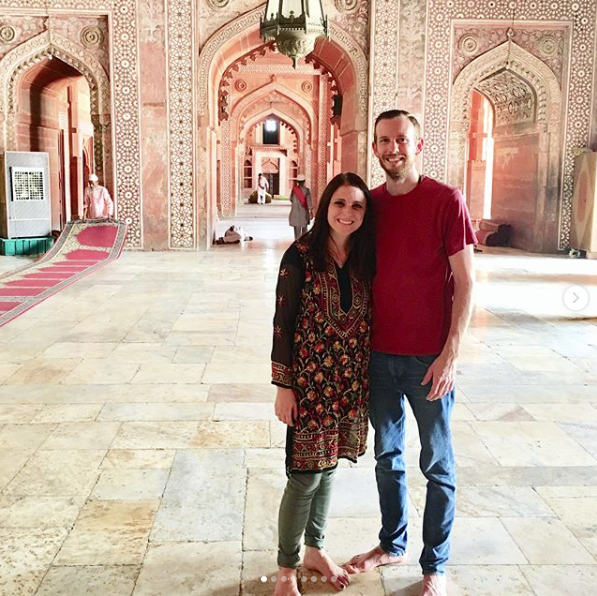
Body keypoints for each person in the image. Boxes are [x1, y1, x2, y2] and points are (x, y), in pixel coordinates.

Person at [345, 110, 476, 596]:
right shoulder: (371, 205)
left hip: (428, 361)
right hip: (378, 357)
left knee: (437, 464)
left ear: (418, 145)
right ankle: (392, 543)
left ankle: (434, 565)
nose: (392, 148)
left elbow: (466, 282)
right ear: (375, 148)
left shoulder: (446, 200)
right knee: (388, 456)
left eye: (401, 139)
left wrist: (450, 355)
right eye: (384, 141)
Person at [271, 172, 376, 596]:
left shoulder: (366, 257)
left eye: (357, 206)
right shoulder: (299, 256)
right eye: (340, 203)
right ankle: (286, 568)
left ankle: (315, 548)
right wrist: (283, 386)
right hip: (309, 386)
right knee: (305, 477)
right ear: (325, 206)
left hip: (350, 384)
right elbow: (282, 324)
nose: (347, 213)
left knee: (328, 469)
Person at [288, 174, 313, 240]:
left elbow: (291, 199)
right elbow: (309, 203)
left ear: (297, 182)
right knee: (304, 232)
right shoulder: (307, 191)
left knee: (297, 233)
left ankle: (297, 243)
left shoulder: (294, 190)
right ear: (304, 181)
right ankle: (303, 244)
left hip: (295, 214)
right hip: (304, 214)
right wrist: (311, 212)